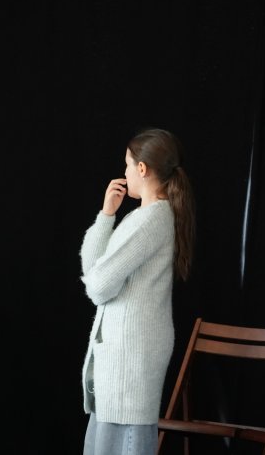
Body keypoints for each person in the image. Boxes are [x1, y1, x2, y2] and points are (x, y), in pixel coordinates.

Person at [79, 128, 195, 455]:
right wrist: (107, 216)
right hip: (126, 356)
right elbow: (94, 271)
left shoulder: (150, 221)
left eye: (128, 164)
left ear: (142, 169)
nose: (125, 172)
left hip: (130, 358)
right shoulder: (147, 217)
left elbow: (98, 285)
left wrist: (98, 278)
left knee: (124, 444)